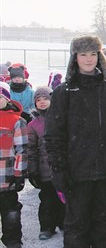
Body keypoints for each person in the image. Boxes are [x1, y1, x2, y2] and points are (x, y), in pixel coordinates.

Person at [45, 34, 106, 248]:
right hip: (76, 174)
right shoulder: (63, 93)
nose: (89, 59)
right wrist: (59, 170)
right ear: (75, 58)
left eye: (93, 54)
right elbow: (54, 136)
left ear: (99, 56)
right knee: (76, 227)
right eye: (83, 54)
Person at [26, 86, 65, 241]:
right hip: (44, 170)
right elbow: (31, 149)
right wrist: (33, 170)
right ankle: (47, 227)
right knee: (47, 199)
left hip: (61, 168)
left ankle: (63, 222)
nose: (42, 102)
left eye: (45, 99)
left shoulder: (61, 119)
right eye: (38, 100)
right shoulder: (33, 125)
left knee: (63, 198)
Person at [0, 81, 28, 248]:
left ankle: (12, 240)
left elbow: (22, 150)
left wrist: (19, 175)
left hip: (7, 178)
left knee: (10, 211)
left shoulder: (16, 121)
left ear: (7, 99)